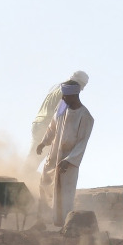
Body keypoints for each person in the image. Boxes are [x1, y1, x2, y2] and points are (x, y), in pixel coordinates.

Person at [35, 81, 95, 228]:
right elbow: (52, 127)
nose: (63, 98)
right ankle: (42, 222)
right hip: (54, 157)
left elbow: (82, 142)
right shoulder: (62, 107)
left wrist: (69, 160)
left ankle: (62, 226)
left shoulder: (85, 116)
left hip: (69, 162)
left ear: (74, 95)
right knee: (45, 187)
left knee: (65, 194)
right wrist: (44, 142)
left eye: (66, 96)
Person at [28, 70, 90, 166]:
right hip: (47, 125)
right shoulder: (67, 92)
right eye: (82, 85)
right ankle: (21, 176)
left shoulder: (56, 88)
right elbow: (60, 113)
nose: (81, 89)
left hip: (38, 122)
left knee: (33, 156)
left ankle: (20, 175)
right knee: (35, 159)